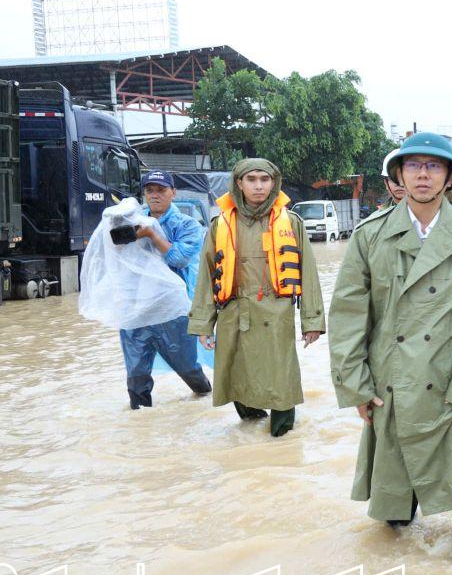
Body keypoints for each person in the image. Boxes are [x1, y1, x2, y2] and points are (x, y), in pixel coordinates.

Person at [328, 133, 452, 558]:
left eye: (434, 166)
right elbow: (349, 314)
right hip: (392, 382)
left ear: (449, 178)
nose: (423, 174)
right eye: (413, 166)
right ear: (399, 176)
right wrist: (356, 384)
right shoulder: (370, 236)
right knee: (396, 524)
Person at [188, 158, 324, 437]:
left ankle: (282, 438)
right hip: (234, 312)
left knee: (281, 379)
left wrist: (311, 321)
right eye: (252, 180)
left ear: (274, 183)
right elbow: (206, 276)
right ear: (239, 183)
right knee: (237, 376)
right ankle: (250, 433)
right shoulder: (220, 225)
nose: (259, 186)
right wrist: (203, 323)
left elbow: (308, 272)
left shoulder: (292, 222)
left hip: (276, 314)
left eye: (265, 179)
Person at [120, 170, 212, 408]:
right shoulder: (131, 221)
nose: (155, 195)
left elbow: (179, 258)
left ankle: (205, 400)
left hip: (174, 311)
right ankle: (141, 425)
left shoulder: (188, 225)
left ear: (173, 192)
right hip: (138, 309)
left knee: (187, 367)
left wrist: (151, 233)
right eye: (149, 191)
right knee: (136, 371)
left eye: (161, 190)